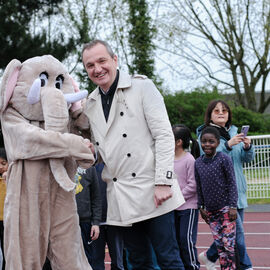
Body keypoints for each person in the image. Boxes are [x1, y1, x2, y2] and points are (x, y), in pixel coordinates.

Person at [77, 39, 185, 269]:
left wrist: (163, 181)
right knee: (137, 261)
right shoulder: (91, 104)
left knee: (169, 259)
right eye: (90, 65)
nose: (97, 69)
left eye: (102, 61)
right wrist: (91, 153)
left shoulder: (142, 88)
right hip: (121, 194)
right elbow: (106, 150)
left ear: (115, 60)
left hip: (153, 190)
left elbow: (164, 136)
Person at [196, 99, 254, 270]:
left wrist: (247, 147)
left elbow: (246, 160)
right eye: (216, 110)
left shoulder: (235, 132)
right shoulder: (206, 135)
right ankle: (245, 266)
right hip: (221, 194)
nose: (221, 113)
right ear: (210, 115)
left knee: (231, 233)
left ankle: (209, 256)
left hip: (238, 189)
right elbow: (207, 158)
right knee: (238, 234)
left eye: (225, 110)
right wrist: (228, 145)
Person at [195, 126, 238, 270]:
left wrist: (233, 206)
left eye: (211, 141)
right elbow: (199, 186)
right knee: (220, 246)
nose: (207, 144)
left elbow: (232, 183)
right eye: (204, 141)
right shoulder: (198, 163)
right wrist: (201, 207)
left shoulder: (224, 159)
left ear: (218, 142)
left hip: (226, 209)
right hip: (211, 212)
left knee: (228, 245)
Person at [172, 124, 200, 270]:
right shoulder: (168, 159)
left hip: (187, 207)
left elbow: (193, 185)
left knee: (186, 239)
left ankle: (193, 266)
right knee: (175, 240)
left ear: (179, 142)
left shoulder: (189, 160)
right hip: (172, 208)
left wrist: (178, 197)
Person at [90, 163, 125, 270]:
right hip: (96, 222)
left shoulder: (118, 167)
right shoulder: (93, 169)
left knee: (117, 262)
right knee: (96, 261)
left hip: (115, 221)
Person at [75, 165, 102, 266]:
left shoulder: (89, 168)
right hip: (64, 222)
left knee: (86, 259)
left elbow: (96, 198)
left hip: (84, 221)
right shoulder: (60, 163)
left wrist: (96, 223)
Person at [0, 147, 7, 270]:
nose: (0, 166)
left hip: (7, 221)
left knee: (8, 251)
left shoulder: (14, 177)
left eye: (3, 163)